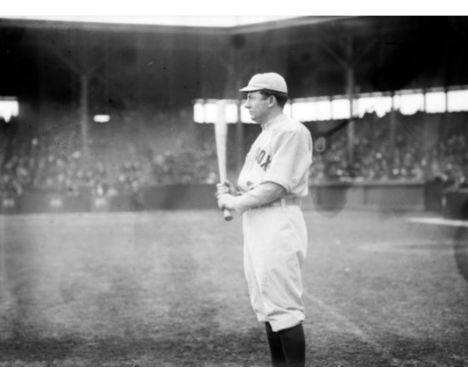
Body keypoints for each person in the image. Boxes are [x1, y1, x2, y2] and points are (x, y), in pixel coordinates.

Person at [216, 72, 313, 367]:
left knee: (283, 309)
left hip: (278, 219)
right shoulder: (265, 134)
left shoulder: (292, 131)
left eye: (252, 97)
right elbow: (257, 186)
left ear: (271, 99)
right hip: (259, 222)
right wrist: (233, 191)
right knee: (267, 308)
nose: (246, 104)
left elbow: (275, 187)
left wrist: (235, 202)